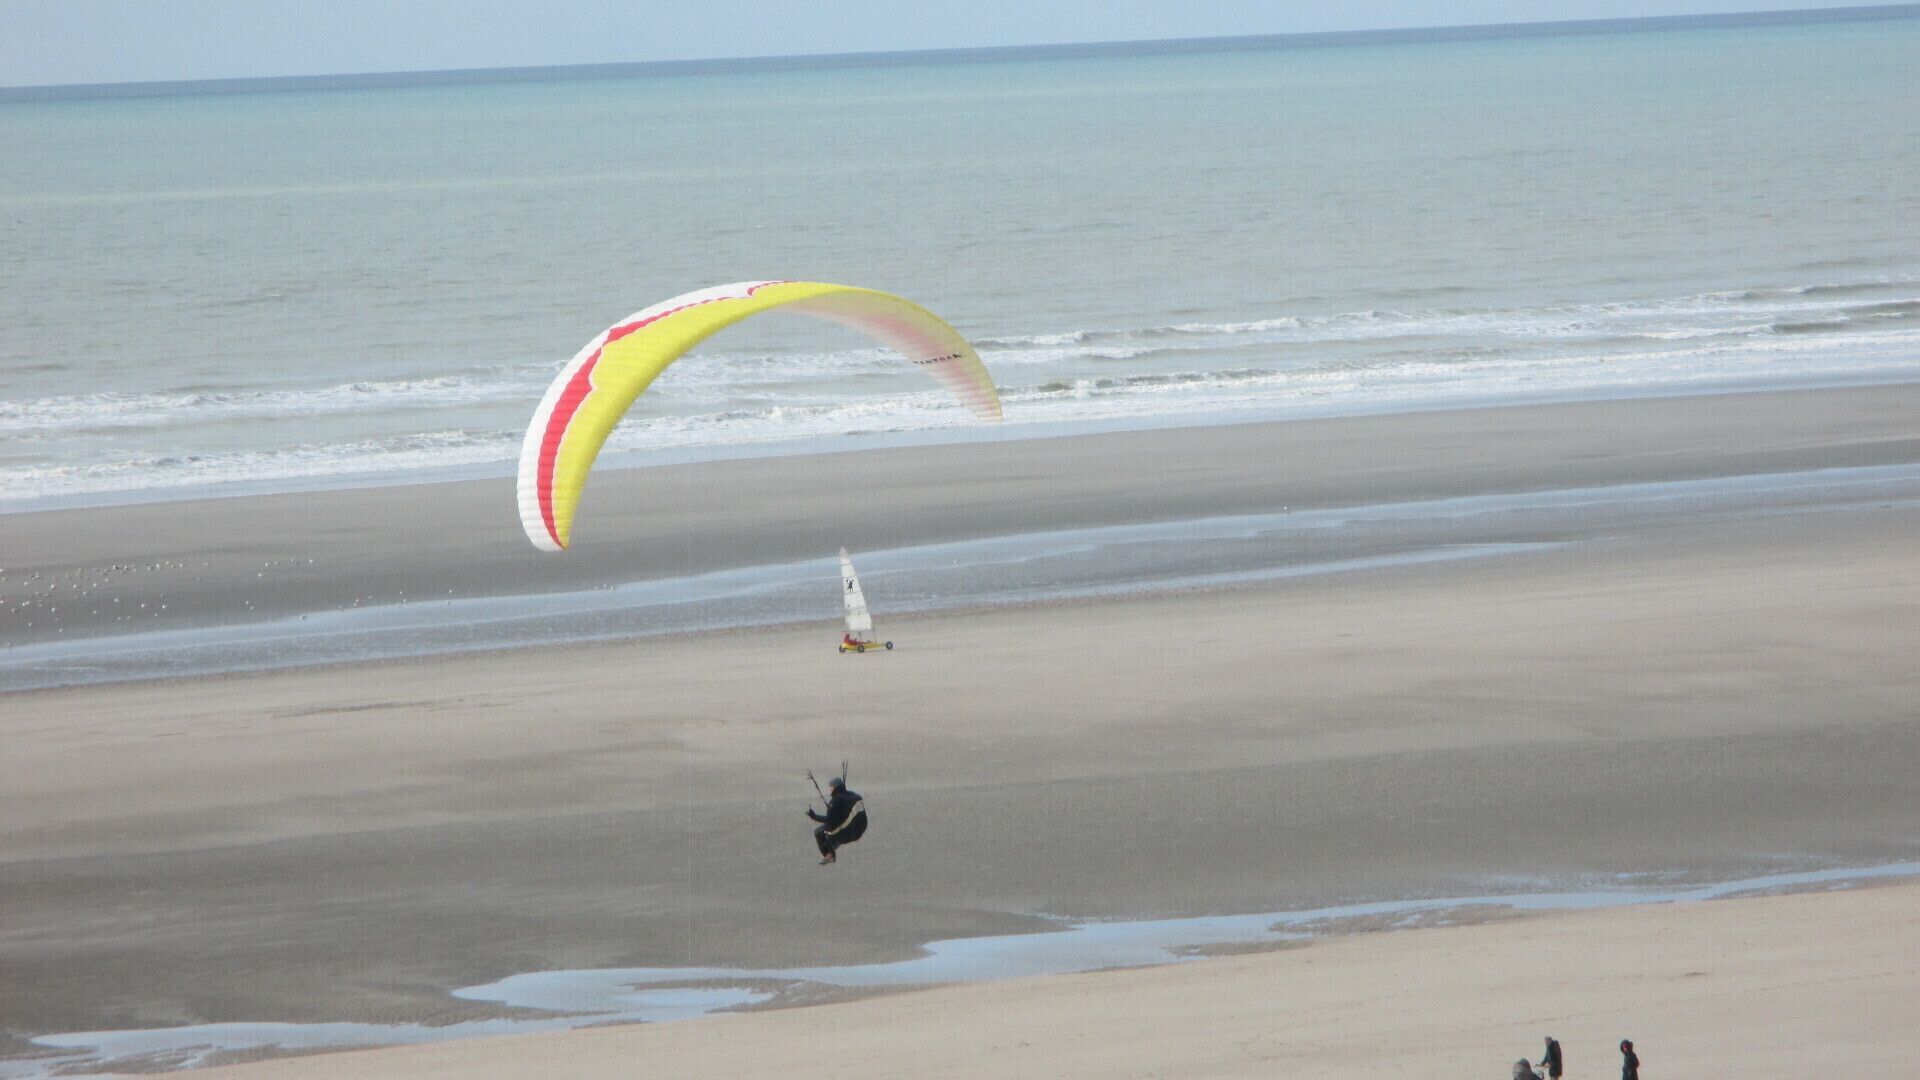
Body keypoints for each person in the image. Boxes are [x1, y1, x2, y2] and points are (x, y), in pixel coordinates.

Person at [807, 776, 867, 865]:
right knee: (835, 831)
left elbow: (829, 820)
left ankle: (828, 855)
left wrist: (814, 816)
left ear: (835, 787)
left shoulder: (835, 801)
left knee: (819, 832)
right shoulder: (854, 795)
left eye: (831, 787)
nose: (830, 789)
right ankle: (831, 851)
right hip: (859, 829)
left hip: (848, 833)